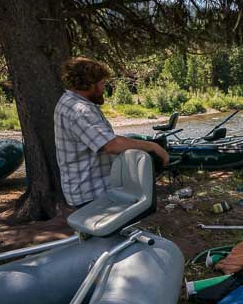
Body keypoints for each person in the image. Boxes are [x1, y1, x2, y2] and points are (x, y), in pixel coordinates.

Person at [54, 57, 169, 207]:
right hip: (92, 192)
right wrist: (153, 146)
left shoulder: (67, 100)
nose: (104, 88)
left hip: (85, 189)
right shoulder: (81, 110)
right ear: (89, 84)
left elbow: (103, 138)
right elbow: (111, 145)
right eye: (102, 83)